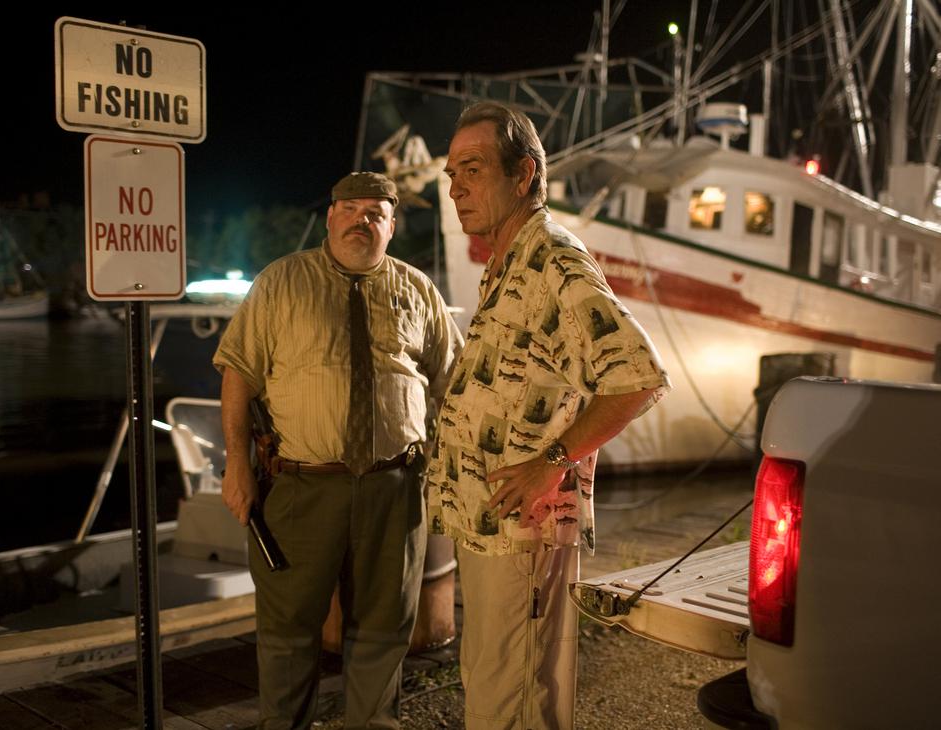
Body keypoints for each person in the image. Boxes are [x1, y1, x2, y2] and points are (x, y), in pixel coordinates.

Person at [427, 101, 671, 729]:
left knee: (514, 696)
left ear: (524, 173)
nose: (456, 189)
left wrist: (551, 463)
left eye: (473, 169)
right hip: (489, 526)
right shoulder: (509, 259)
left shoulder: (556, 260)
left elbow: (636, 377)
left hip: (523, 535)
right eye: (452, 174)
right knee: (493, 683)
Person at [215, 171, 463, 729]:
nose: (361, 221)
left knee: (384, 629)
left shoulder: (418, 290)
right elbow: (238, 373)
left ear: (392, 226)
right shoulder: (281, 282)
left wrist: (453, 470)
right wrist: (236, 464)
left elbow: (454, 384)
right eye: (350, 210)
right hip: (301, 487)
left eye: (375, 213)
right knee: (288, 633)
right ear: (330, 217)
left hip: (395, 489)